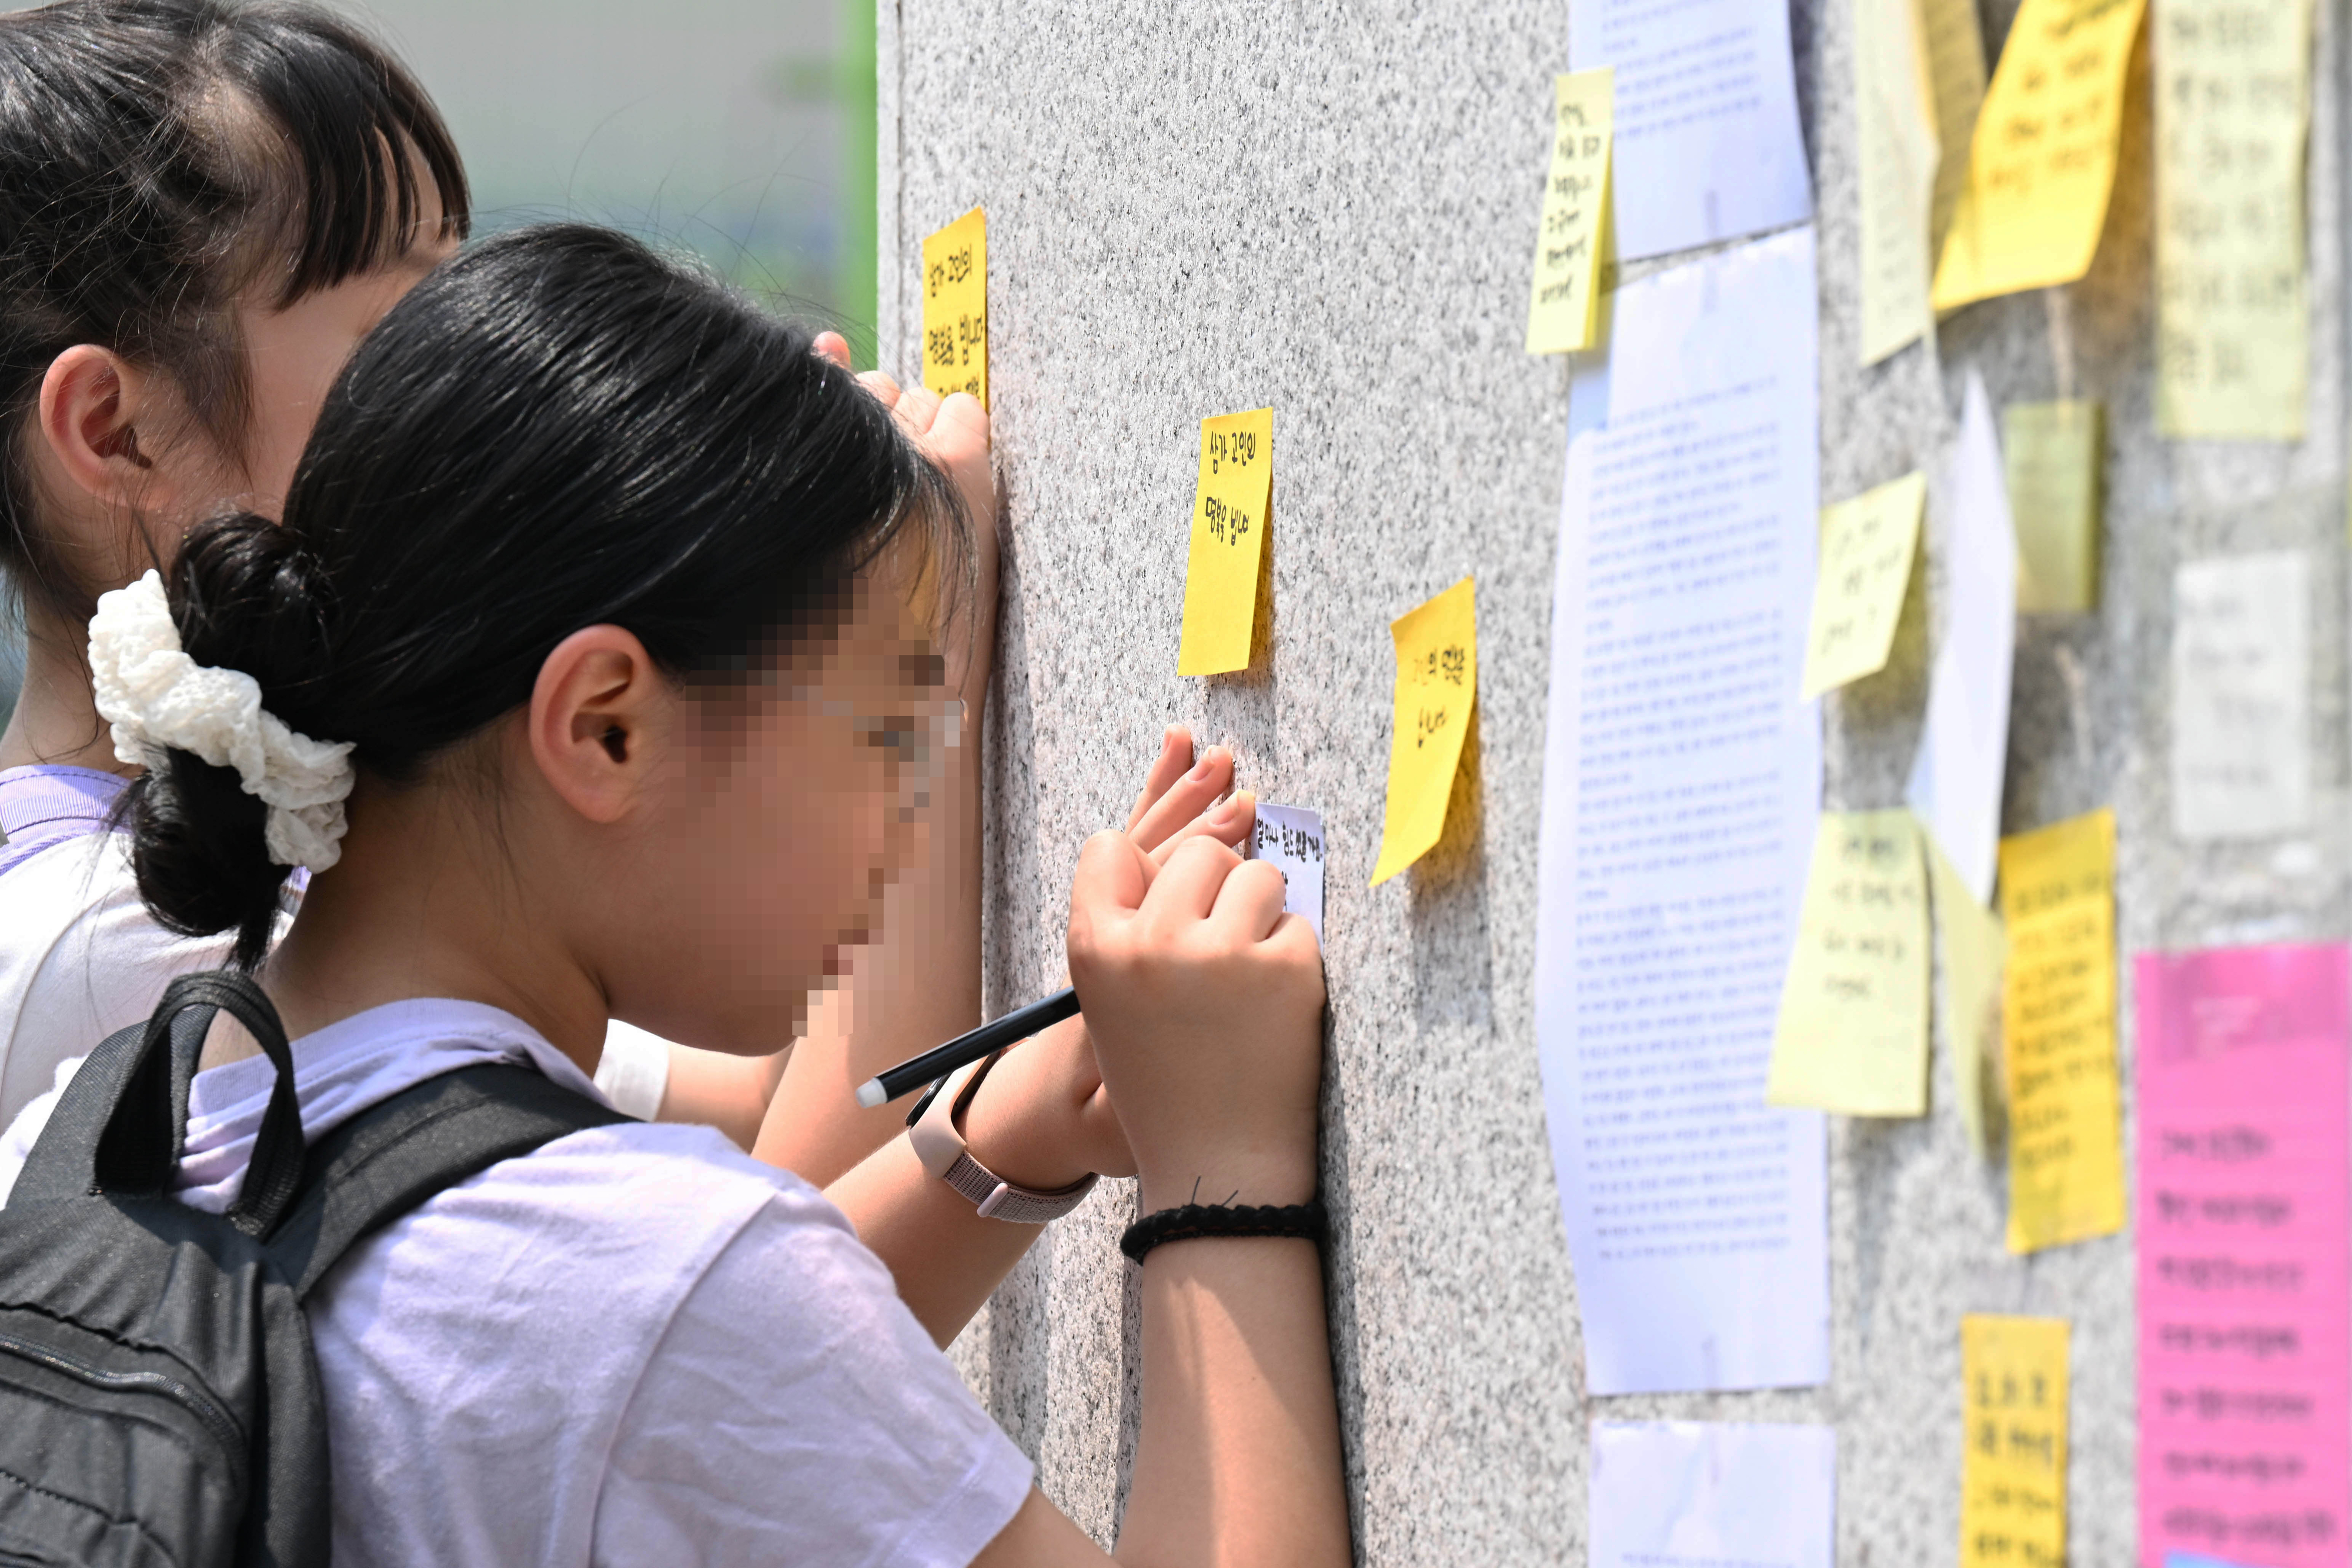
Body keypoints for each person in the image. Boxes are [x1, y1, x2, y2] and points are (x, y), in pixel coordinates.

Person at [4, 223, 1349, 1565]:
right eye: (885, 735)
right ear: (605, 727)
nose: (902, 822)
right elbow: (660, 1352)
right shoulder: (650, 1283)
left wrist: (986, 1139)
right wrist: (1217, 1167)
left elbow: (620, 1418)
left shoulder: (103, 1128)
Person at [0, 0, 1255, 1152]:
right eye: (404, 332)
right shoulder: (120, 938)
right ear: (116, 433)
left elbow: (749, 1100)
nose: (483, 366)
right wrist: (908, 646)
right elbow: (768, 1246)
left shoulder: (282, 830)